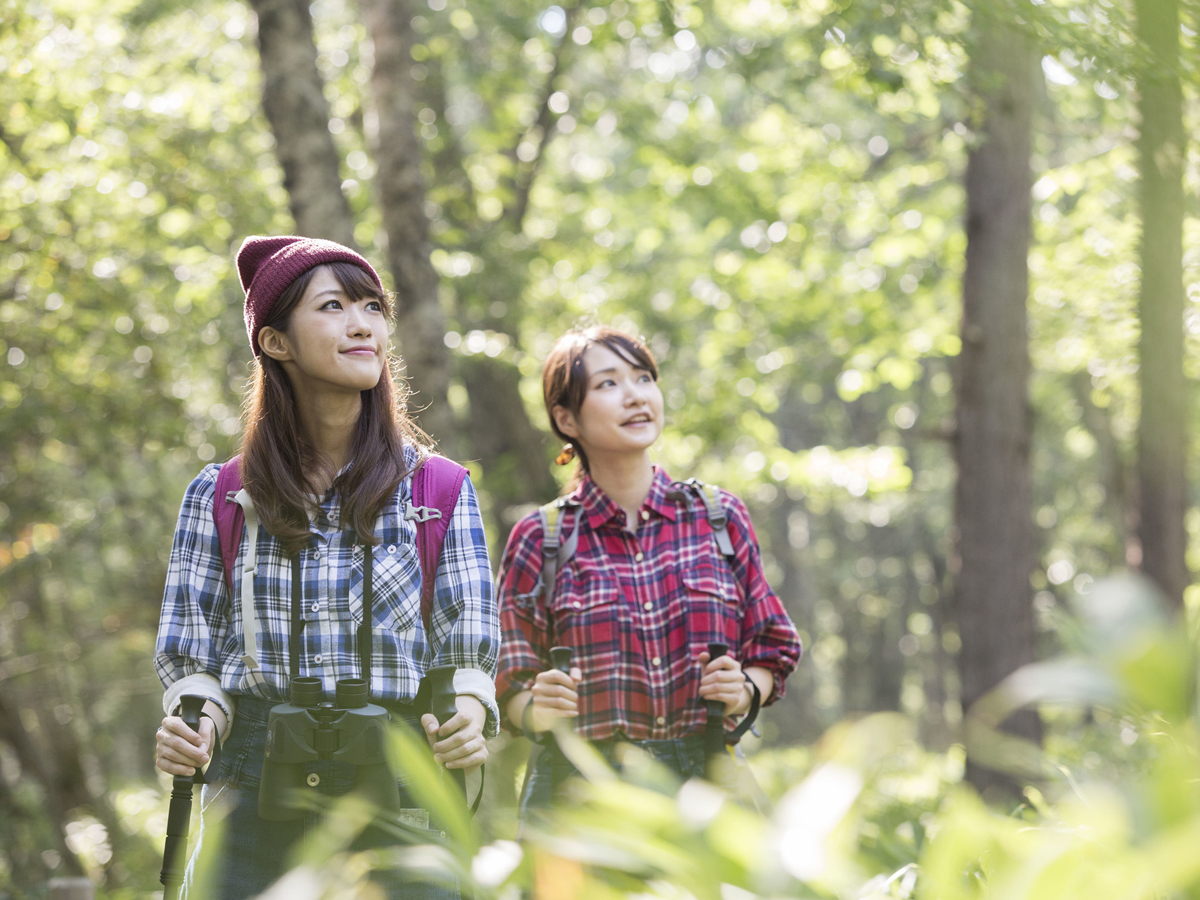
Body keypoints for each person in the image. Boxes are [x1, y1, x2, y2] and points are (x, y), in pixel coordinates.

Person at [153, 236, 498, 899]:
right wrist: (193, 728)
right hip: (252, 785)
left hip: (401, 780)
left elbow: (466, 650)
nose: (362, 323)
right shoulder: (220, 494)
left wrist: (466, 716)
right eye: (335, 306)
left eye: (372, 306)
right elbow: (195, 657)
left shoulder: (440, 489)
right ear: (276, 342)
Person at [494, 325, 801, 818]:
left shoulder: (719, 516)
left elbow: (773, 645)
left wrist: (744, 689)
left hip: (709, 787)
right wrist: (535, 708)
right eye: (609, 384)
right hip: (583, 795)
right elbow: (507, 678)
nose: (634, 396)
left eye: (643, 378)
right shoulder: (541, 536)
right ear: (565, 418)